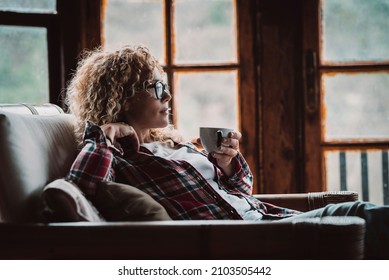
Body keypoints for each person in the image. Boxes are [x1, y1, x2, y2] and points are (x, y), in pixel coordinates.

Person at [65, 45, 388, 258]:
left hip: (265, 219)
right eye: (157, 88)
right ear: (123, 97)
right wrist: (102, 138)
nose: (168, 96)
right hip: (252, 240)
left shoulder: (168, 144)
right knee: (369, 218)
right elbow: (83, 187)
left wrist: (228, 164)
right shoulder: (121, 156)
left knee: (368, 216)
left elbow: (238, 193)